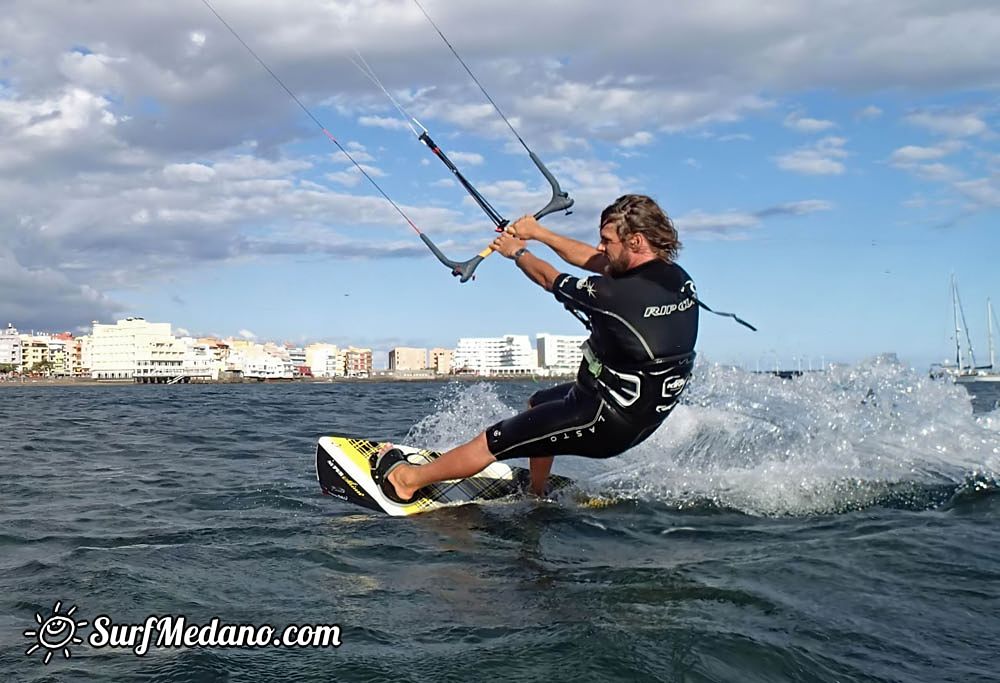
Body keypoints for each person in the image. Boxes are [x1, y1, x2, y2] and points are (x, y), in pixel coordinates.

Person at [373, 193, 699, 502]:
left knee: (493, 441)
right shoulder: (672, 277)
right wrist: (539, 232)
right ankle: (536, 492)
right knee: (538, 402)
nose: (601, 247)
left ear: (636, 241)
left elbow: (549, 279)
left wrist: (517, 251)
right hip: (636, 410)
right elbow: (595, 260)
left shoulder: (614, 296)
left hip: (603, 418)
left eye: (607, 240)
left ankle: (405, 481)